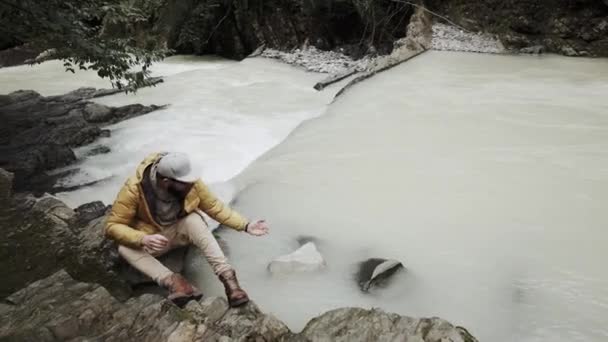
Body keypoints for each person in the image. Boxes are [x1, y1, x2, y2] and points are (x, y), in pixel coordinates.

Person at [105, 152, 269, 307]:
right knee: (124, 248)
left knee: (193, 220)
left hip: (181, 231)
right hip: (153, 239)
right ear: (166, 182)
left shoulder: (190, 183)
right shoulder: (134, 188)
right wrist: (141, 238)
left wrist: (245, 225)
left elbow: (214, 207)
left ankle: (230, 283)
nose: (191, 184)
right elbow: (113, 226)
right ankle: (176, 284)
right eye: (185, 182)